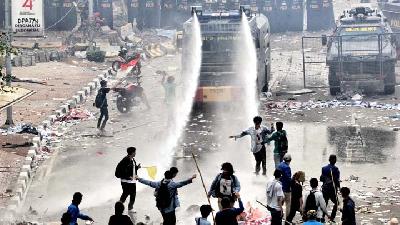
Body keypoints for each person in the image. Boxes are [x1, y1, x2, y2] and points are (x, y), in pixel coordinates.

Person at [116, 147, 141, 212]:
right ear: (132, 152)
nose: (135, 153)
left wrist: (137, 168)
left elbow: (131, 169)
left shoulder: (132, 159)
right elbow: (122, 170)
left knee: (132, 194)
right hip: (126, 181)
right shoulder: (126, 160)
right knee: (126, 193)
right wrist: (128, 177)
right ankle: (119, 206)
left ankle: (130, 208)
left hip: (132, 181)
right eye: (135, 152)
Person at [320, 154, 340, 222]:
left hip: (325, 189)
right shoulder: (336, 169)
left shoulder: (324, 168)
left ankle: (322, 218)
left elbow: (321, 179)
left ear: (329, 160)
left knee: (324, 203)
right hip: (332, 189)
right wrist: (339, 188)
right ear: (335, 161)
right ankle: (332, 218)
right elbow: (336, 180)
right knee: (337, 203)